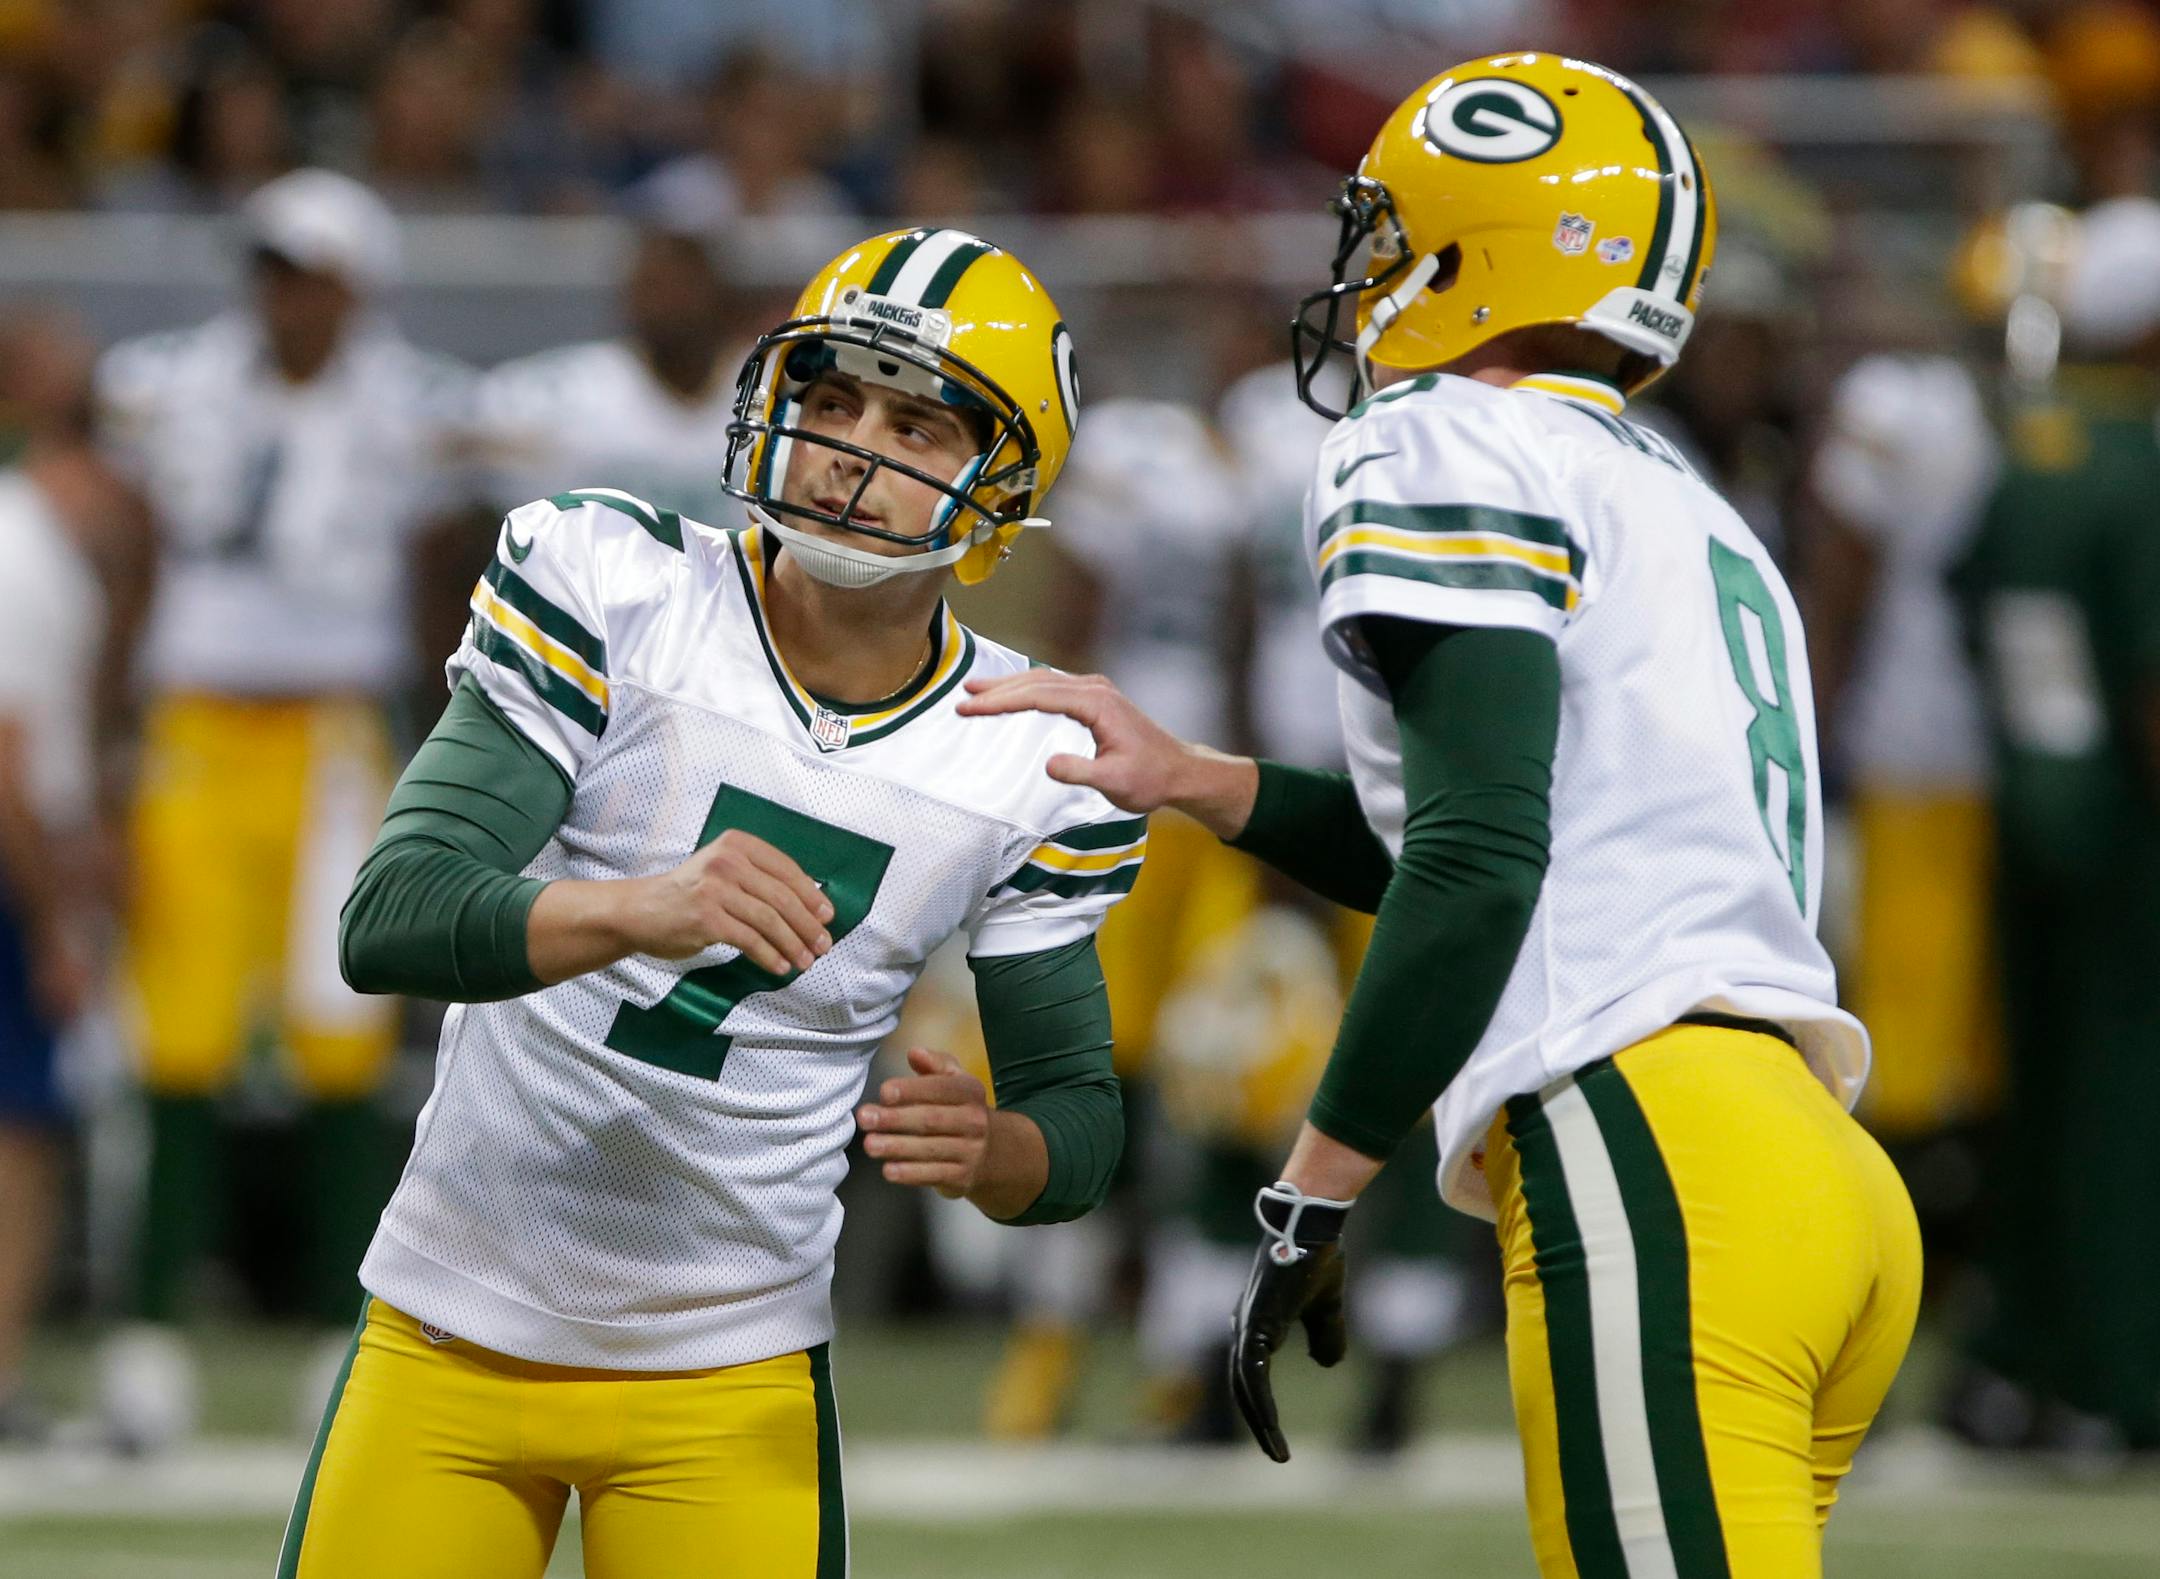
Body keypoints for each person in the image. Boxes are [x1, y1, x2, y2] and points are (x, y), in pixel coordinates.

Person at [964, 53, 1920, 1577]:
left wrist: (1309, 1190)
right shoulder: (1682, 494)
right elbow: (1504, 834)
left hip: (1656, 1147)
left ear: (1484, 244)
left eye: (1395, 232)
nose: (1370, 275)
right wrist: (1206, 780)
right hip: (1820, 1164)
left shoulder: (1448, 440)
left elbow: (1480, 860)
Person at [277, 227, 1128, 1579]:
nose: (853, 444)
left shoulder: (1027, 749)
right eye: (833, 398)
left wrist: (993, 1152)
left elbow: (1077, 1128)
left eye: (915, 421)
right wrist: (639, 908)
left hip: (726, 1372)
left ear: (1001, 488)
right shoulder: (616, 585)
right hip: (450, 1322)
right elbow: (393, 913)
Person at [93, 168, 478, 1449]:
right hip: (199, 730)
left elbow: (444, 577)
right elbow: (137, 557)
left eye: (305, 272)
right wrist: (111, 743)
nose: (279, 295)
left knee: (341, 1044)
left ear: (355, 289)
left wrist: (446, 753)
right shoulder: (173, 383)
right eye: (268, 268)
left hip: (330, 735)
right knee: (179, 1039)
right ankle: (149, 1341)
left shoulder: (414, 404)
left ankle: (339, 1327)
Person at [1949, 195, 2160, 1457]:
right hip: (2127, 833)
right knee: (2124, 1109)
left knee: (2039, 1099)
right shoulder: (2136, 465)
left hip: (2028, 806)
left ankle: (2014, 1355)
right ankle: (2116, 1370)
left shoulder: (2031, 451)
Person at [0, 310, 150, 1442]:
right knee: (23, 1136)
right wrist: (54, 920)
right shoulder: (25, 553)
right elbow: (6, 760)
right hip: (9, 876)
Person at [473, 225, 748, 526]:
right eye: (653, 286)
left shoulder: (770, 386)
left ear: (719, 294)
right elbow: (461, 447)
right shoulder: (570, 389)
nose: (668, 302)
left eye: (683, 286)